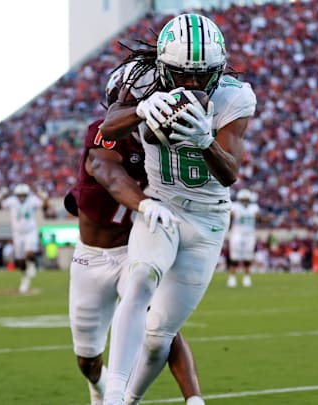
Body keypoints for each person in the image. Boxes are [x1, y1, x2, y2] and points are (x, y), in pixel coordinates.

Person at [98, 13, 257, 404]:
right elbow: (106, 128)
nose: (191, 84)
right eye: (182, 75)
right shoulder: (144, 80)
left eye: (202, 76)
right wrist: (140, 108)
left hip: (207, 220)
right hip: (162, 206)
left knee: (158, 338)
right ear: (164, 68)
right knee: (138, 281)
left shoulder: (235, 96)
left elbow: (230, 174)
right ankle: (113, 395)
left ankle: (130, 398)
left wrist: (206, 141)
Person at [64, 69, 204, 405]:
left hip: (134, 249)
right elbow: (108, 174)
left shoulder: (171, 145)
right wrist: (144, 204)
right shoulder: (103, 133)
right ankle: (98, 387)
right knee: (87, 358)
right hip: (92, 258)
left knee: (159, 324)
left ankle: (195, 399)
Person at [0, 184, 49, 294]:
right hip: (17, 233)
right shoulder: (12, 201)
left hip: (30, 231)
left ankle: (32, 265)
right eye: (19, 195)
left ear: (27, 194)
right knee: (20, 259)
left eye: (23, 195)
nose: (21, 197)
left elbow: (45, 207)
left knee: (29, 253)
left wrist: (44, 197)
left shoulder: (32, 200)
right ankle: (24, 278)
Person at [227, 189, 260, 287]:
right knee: (234, 257)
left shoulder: (254, 207)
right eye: (243, 199)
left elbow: (259, 217)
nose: (244, 201)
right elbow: (229, 215)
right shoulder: (235, 206)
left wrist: (266, 219)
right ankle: (232, 277)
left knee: (248, 257)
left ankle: (247, 277)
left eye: (246, 199)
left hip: (249, 234)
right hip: (237, 233)